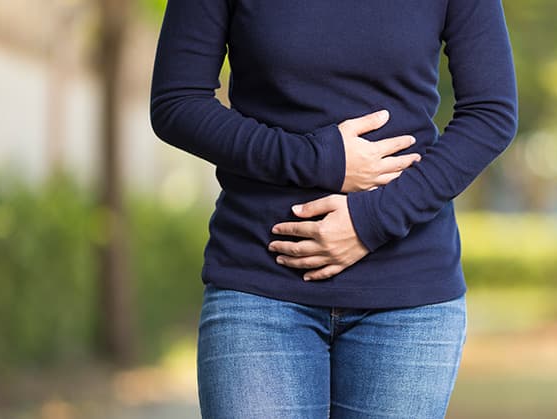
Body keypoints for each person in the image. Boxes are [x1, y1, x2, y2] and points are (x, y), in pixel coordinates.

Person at [149, 0, 518, 417]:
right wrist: (318, 159)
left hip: (408, 297)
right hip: (260, 283)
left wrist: (371, 221)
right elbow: (177, 102)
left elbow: (491, 113)